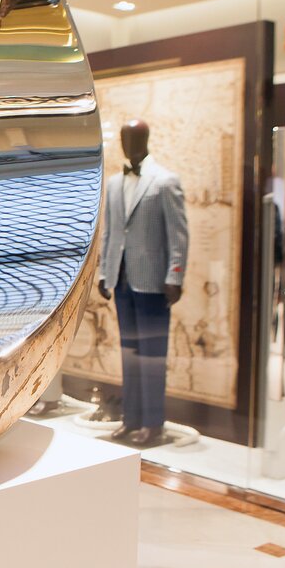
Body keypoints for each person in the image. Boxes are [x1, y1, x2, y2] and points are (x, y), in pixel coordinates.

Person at [97, 119, 188, 447]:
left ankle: (153, 424)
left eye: (133, 138)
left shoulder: (164, 181)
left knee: (152, 355)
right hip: (122, 279)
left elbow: (178, 234)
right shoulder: (114, 183)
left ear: (145, 139)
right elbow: (110, 232)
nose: (127, 144)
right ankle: (131, 418)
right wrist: (104, 273)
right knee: (130, 352)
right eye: (124, 138)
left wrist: (174, 276)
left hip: (152, 282)